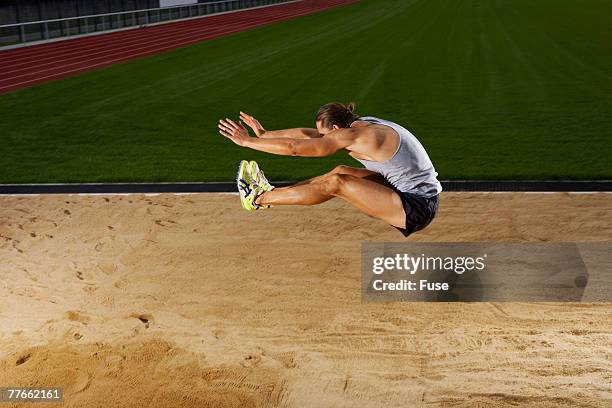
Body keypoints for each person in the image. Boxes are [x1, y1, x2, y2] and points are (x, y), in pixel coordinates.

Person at [218, 102, 441, 236]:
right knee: (341, 171)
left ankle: (258, 198)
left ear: (335, 128)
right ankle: (273, 190)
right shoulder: (360, 125)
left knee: (337, 183)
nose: (323, 137)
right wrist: (266, 134)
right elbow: (310, 134)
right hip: (408, 193)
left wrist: (247, 142)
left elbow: (295, 148)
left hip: (416, 208)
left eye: (327, 134)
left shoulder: (360, 136)